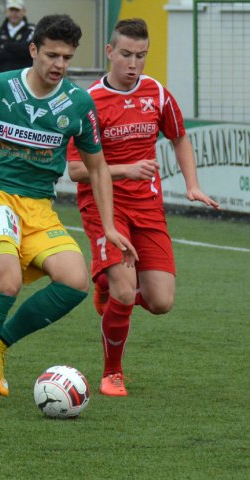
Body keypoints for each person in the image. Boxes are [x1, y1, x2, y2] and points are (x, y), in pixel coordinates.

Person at [0, 14, 137, 409]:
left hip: (40, 207)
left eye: (66, 57)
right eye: (51, 55)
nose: (59, 64)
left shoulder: (78, 103)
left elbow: (98, 167)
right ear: (33, 50)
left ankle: (0, 344)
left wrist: (109, 226)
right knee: (6, 282)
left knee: (75, 282)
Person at [67, 18, 219, 397]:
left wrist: (192, 185)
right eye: (126, 54)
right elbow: (75, 170)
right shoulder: (88, 102)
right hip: (105, 207)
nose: (133, 64)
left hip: (148, 206)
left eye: (141, 56)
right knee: (124, 290)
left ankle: (107, 284)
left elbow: (179, 137)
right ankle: (112, 372)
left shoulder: (157, 93)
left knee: (161, 301)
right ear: (109, 52)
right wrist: (125, 169)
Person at [0, 0, 35, 73]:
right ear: (6, 12)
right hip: (1, 77)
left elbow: (30, 50)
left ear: (24, 12)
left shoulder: (32, 30)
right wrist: (19, 50)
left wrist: (6, 46)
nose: (14, 13)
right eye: (11, 10)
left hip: (23, 77)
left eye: (17, 10)